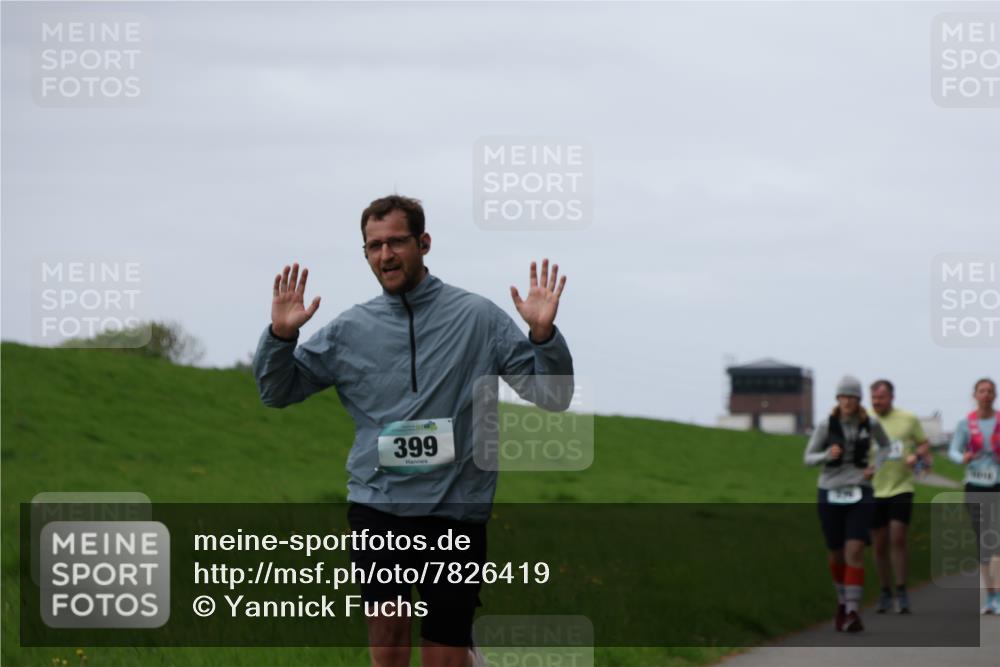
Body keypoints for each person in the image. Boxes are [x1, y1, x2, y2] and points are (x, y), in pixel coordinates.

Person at [252, 195, 575, 666]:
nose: (386, 255)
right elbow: (276, 391)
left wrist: (543, 337)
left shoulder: (478, 318)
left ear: (423, 243)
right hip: (378, 506)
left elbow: (553, 395)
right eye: (374, 246)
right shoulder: (349, 330)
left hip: (455, 512)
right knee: (387, 637)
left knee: (443, 653)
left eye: (397, 242)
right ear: (365, 253)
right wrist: (281, 337)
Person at [804, 375, 891, 633]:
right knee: (835, 551)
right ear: (837, 399)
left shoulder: (870, 424)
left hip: (860, 490)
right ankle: (842, 601)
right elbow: (807, 459)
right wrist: (826, 454)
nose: (848, 401)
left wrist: (876, 466)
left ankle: (853, 610)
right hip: (829, 490)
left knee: (854, 549)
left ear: (858, 400)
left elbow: (887, 446)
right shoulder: (825, 426)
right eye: (844, 396)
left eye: (852, 397)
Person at [868, 379, 931, 614]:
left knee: (898, 537)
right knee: (879, 544)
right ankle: (885, 591)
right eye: (873, 398)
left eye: (881, 398)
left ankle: (902, 590)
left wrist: (916, 454)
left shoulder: (908, 418)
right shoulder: (865, 420)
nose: (876, 402)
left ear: (891, 398)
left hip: (901, 486)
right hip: (874, 489)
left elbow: (924, 444)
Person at [947, 378, 1000, 615]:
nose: (986, 395)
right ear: (975, 395)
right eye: (982, 391)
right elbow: (953, 450)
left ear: (995, 396)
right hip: (975, 484)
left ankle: (998, 595)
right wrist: (962, 458)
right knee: (983, 542)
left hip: (998, 484)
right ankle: (990, 596)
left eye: (990, 391)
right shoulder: (965, 424)